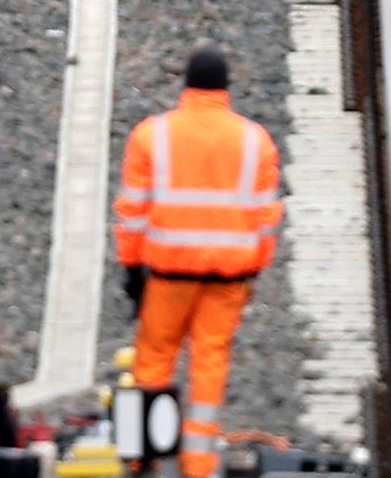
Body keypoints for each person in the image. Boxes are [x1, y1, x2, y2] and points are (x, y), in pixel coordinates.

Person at [113, 45, 283, 478]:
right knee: (210, 359)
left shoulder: (153, 135)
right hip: (231, 275)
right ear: (225, 87)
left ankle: (145, 454)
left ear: (186, 84)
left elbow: (132, 211)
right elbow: (267, 216)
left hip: (168, 272)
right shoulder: (253, 139)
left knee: (153, 360)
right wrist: (256, 270)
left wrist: (131, 267)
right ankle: (199, 460)